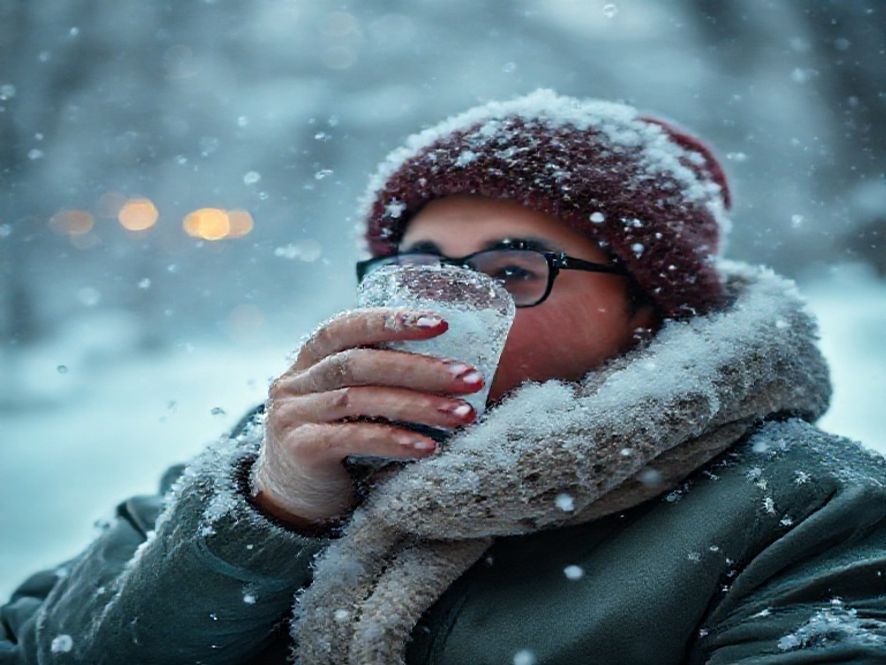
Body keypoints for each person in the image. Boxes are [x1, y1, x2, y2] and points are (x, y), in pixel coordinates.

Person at [2, 89, 884, 665]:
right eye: (420, 270)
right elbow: (42, 644)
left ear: (647, 308)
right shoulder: (278, 458)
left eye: (511, 271)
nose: (447, 308)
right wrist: (272, 514)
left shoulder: (809, 509)